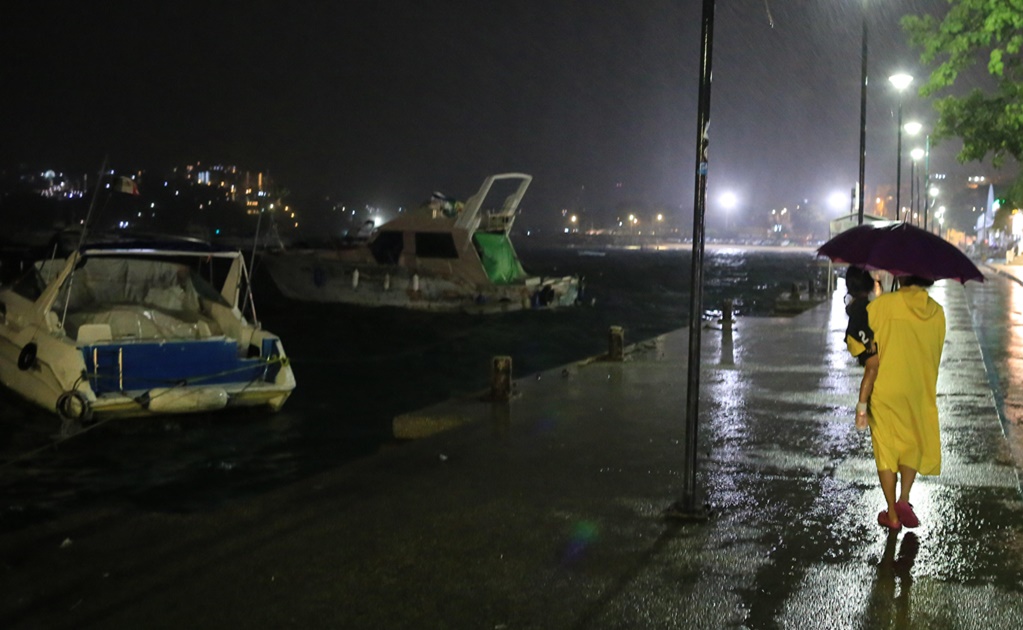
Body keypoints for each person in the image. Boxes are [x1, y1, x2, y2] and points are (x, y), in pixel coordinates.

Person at [856, 275, 946, 532]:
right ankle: (904, 498)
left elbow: (862, 343)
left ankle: (892, 514)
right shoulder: (937, 313)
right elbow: (935, 351)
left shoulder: (882, 307)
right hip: (918, 389)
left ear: (900, 276)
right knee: (910, 444)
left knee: (885, 449)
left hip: (886, 389)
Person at [844, 266, 877, 431]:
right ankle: (862, 408)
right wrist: (862, 408)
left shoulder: (858, 308)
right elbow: (872, 367)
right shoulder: (864, 311)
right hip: (874, 363)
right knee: (872, 366)